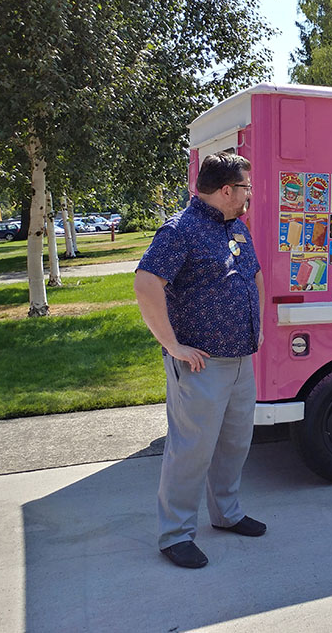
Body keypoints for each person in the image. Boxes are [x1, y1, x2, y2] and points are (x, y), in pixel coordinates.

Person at [134, 153, 267, 569]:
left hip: (241, 358)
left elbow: (254, 275)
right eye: (246, 187)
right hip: (201, 365)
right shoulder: (181, 230)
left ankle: (227, 514)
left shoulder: (236, 229)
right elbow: (146, 282)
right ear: (226, 190)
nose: (250, 194)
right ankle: (175, 534)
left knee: (235, 443)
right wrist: (173, 345)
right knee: (190, 450)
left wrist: (256, 324)